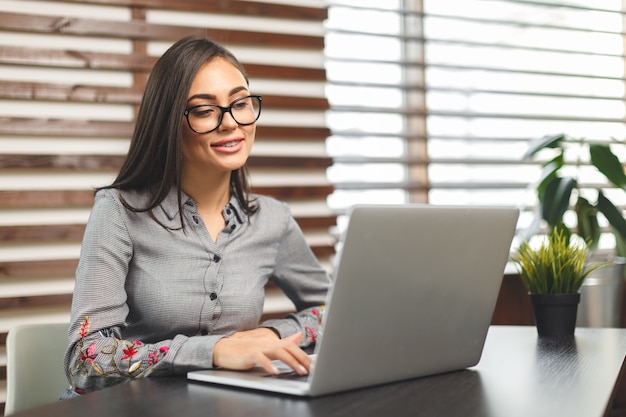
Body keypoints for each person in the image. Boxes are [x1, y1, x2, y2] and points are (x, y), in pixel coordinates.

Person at [61, 35, 331, 398]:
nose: (231, 123)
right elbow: (85, 359)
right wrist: (215, 350)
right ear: (169, 123)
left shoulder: (273, 219)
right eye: (204, 110)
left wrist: (270, 335)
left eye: (240, 103)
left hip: (226, 404)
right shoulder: (118, 211)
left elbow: (334, 311)